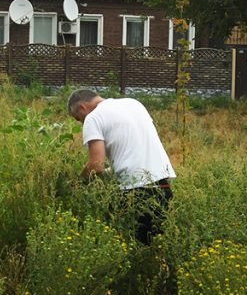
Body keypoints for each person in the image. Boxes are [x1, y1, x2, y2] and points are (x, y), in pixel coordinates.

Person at [67, 89, 176, 244]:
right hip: (163, 186)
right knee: (157, 248)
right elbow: (133, 154)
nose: (82, 122)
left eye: (79, 119)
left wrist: (77, 183)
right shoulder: (134, 104)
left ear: (82, 108)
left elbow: (96, 166)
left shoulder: (93, 118)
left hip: (136, 194)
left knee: (128, 248)